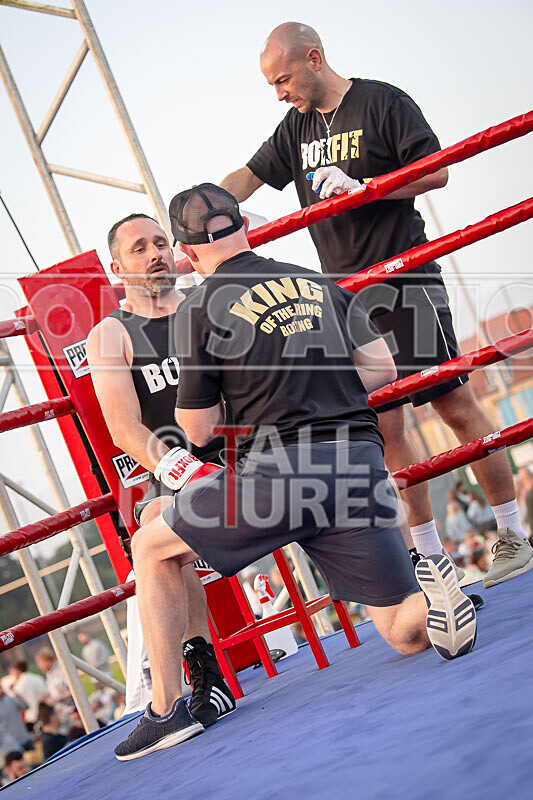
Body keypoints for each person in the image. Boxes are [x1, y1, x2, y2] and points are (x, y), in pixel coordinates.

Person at [113, 183, 477, 762]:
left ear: (185, 253)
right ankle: (434, 601)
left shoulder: (200, 307)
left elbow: (197, 427)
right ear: (244, 226)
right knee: (401, 629)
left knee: (153, 546)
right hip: (359, 463)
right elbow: (382, 370)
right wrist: (318, 387)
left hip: (278, 474)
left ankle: (165, 713)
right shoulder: (318, 281)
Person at [219, 21, 533, 589]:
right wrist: (206, 213)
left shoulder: (382, 101)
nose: (279, 92)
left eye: (283, 79)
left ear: (314, 59)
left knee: (453, 404)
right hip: (346, 298)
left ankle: (513, 532)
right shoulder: (294, 129)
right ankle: (431, 558)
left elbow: (435, 170)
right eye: (271, 84)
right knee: (384, 426)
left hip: (405, 278)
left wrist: (366, 186)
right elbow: (247, 175)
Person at [86, 212, 235, 725]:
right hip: (178, 473)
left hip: (248, 458)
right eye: (138, 249)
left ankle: (418, 572)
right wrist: (187, 472)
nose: (154, 255)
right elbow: (124, 429)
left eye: (160, 243)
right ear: (116, 268)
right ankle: (203, 669)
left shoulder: (208, 304)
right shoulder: (112, 334)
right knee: (155, 526)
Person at [8, 661, 47, 730]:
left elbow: (12, 698)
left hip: (32, 716)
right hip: (44, 712)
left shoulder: (19, 685)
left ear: (17, 671)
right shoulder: (37, 677)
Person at [0, 687, 32, 752]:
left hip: (25, 738)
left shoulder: (9, 699)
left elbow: (25, 706)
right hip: (12, 746)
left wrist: (17, 695)